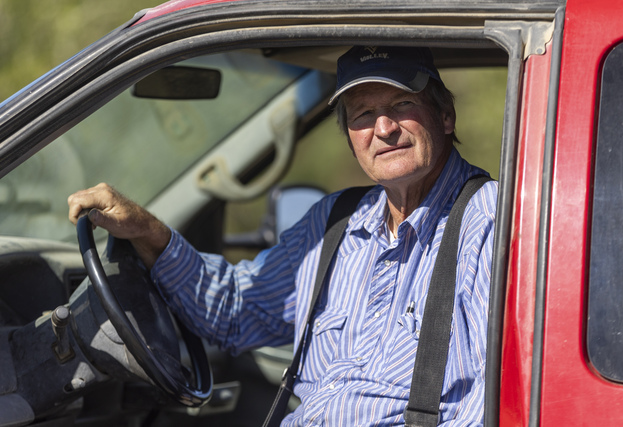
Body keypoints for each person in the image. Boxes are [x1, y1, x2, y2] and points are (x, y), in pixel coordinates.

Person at [68, 45, 497, 426]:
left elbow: (494, 404)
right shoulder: (335, 220)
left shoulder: (490, 220)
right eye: (363, 113)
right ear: (350, 137)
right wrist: (146, 230)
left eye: (402, 103)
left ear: (445, 115)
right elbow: (235, 311)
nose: (383, 128)